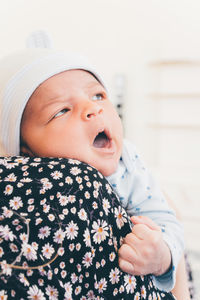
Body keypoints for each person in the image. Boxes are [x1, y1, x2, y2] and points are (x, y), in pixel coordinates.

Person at [0, 47, 186, 297]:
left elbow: (166, 222)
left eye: (98, 96)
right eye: (62, 111)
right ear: (28, 154)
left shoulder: (129, 164)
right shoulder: (33, 190)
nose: (93, 109)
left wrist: (161, 255)